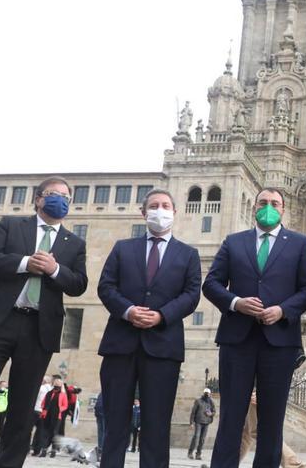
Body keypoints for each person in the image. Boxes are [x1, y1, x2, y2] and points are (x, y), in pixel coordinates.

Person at [0, 176, 88, 467]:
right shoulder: (11, 225)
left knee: (23, 404)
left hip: (38, 329)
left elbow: (79, 284)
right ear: (38, 199)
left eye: (66, 196)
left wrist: (55, 269)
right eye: (53, 194)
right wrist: (24, 263)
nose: (60, 199)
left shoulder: (75, 243)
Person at [203, 187, 306, 468]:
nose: (268, 207)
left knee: (272, 418)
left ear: (283, 209)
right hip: (236, 340)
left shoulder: (300, 244)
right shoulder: (233, 242)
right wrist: (236, 302)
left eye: (274, 203)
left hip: (279, 341)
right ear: (254, 208)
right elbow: (212, 284)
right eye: (263, 202)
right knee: (231, 417)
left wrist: (283, 310)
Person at [97, 188, 201, 468]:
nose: (160, 210)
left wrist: (161, 316)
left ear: (174, 213)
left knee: (157, 424)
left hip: (163, 347)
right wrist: (129, 311)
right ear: (143, 213)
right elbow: (106, 287)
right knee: (115, 421)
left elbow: (192, 295)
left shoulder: (188, 254)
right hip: (121, 343)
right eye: (154, 205)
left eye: (166, 205)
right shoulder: (122, 248)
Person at [239, 390, 306, 468]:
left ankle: (294, 464)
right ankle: (227, 462)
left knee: (259, 431)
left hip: (252, 391)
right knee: (246, 434)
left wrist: (257, 390)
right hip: (247, 391)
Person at [37, 377, 68, 458]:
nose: (57, 384)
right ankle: (44, 450)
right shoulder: (49, 393)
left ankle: (53, 450)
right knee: (45, 433)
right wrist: (44, 409)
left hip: (57, 416)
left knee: (54, 433)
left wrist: (59, 409)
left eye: (59, 383)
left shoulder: (63, 395)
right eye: (56, 383)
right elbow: (43, 403)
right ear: (54, 384)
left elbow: (65, 405)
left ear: (61, 385)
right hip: (47, 415)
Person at [188, 389, 216, 460]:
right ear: (203, 393)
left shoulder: (211, 402)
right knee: (196, 437)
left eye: (208, 393)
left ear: (210, 394)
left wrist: (211, 414)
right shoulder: (198, 401)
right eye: (206, 393)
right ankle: (190, 452)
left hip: (206, 422)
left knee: (202, 439)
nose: (207, 394)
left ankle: (198, 454)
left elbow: (214, 411)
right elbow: (193, 412)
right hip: (198, 422)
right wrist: (191, 423)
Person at [31, 376, 53, 456]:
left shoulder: (41, 388)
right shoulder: (51, 389)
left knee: (28, 430)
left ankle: (26, 448)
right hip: (44, 412)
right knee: (40, 432)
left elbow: (34, 398)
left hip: (36, 410)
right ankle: (37, 450)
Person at [94, 392, 105, 460]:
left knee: (101, 433)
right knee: (103, 432)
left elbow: (96, 405)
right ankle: (102, 450)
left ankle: (100, 450)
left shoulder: (100, 393)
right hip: (103, 415)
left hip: (99, 415)